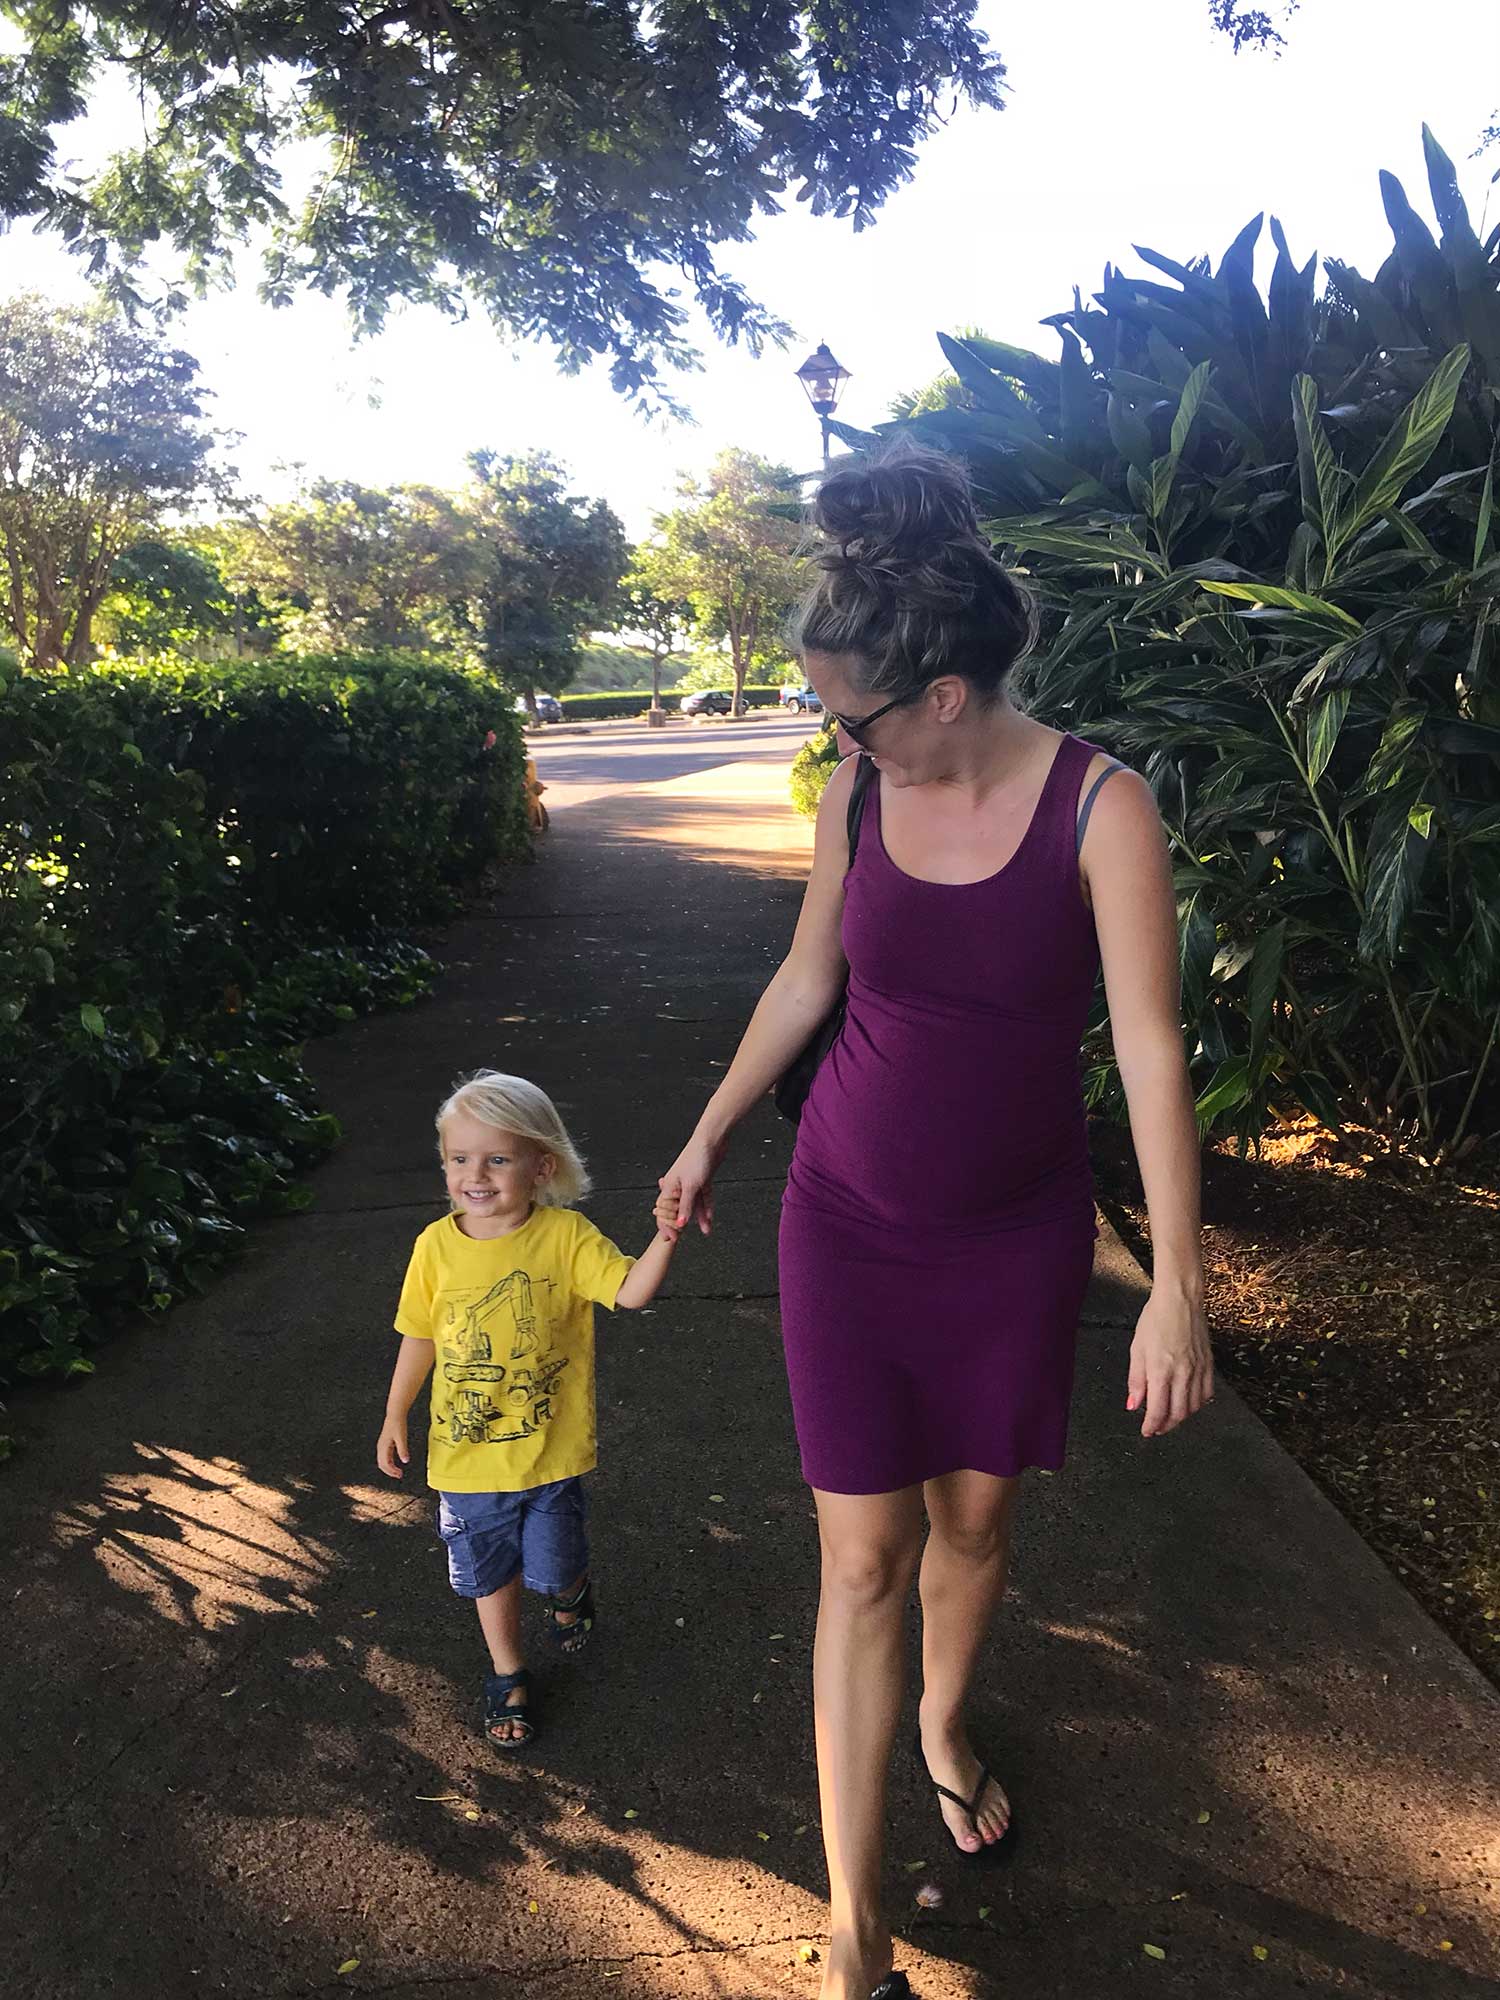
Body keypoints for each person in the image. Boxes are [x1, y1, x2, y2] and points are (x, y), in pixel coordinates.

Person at [658, 441, 1214, 2000]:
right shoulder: (857, 790)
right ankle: (855, 1925)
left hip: (1018, 1232)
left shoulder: (1100, 807)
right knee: (860, 1563)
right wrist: (706, 1135)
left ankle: (948, 1724)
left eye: (853, 711)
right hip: (845, 1214)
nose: (833, 736)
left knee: (974, 1523)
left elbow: (1154, 1047)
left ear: (946, 696)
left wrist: (1178, 1282)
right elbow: (807, 976)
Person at [377, 1069, 680, 1750]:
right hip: (465, 1459)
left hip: (549, 1453)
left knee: (552, 1564)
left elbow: (629, 1292)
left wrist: (666, 1236)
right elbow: (419, 1331)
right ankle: (507, 1671)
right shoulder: (434, 1246)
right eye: (458, 1159)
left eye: (497, 1159)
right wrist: (397, 1412)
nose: (473, 1175)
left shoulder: (565, 1238)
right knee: (488, 1572)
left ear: (542, 1167)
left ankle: (570, 1592)